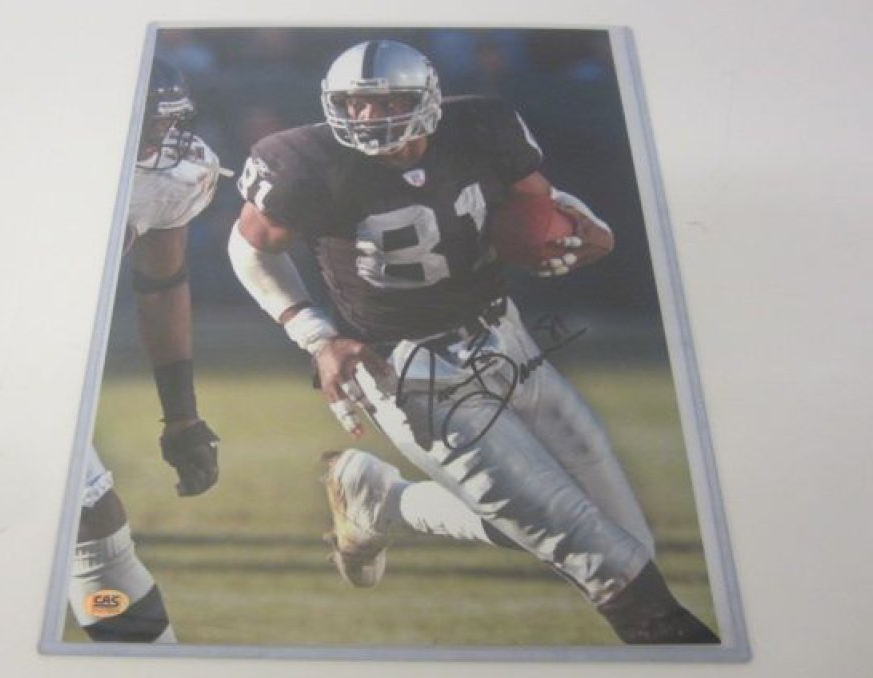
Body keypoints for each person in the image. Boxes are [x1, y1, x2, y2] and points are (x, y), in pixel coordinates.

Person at [228, 39, 719, 644]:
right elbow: (248, 246)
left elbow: (536, 201)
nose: (367, 117)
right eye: (354, 104)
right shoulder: (308, 161)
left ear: (428, 101)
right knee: (607, 563)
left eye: (388, 102)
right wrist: (316, 336)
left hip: (509, 341)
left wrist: (585, 228)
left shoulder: (481, 126)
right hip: (410, 373)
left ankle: (385, 504)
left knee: (628, 543)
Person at [68, 58, 224, 643]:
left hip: (29, 367)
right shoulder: (42, 163)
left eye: (165, 123)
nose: (159, 140)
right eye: (145, 124)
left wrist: (182, 416)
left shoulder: (171, 175)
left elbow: (161, 284)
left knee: (88, 523)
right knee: (88, 520)